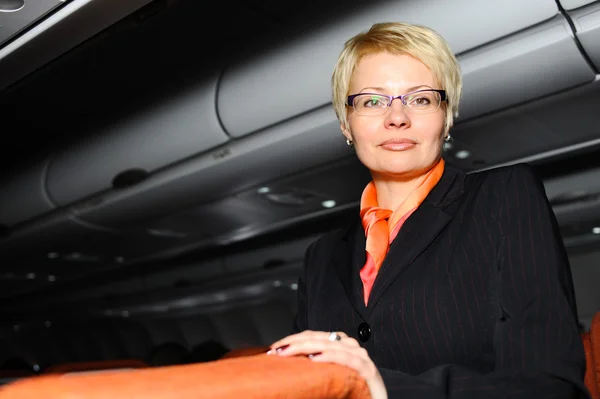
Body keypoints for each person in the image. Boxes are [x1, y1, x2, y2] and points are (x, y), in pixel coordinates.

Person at [268, 22, 589, 399]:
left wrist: (378, 387)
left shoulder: (503, 198)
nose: (397, 117)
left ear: (447, 116)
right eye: (373, 101)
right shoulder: (321, 257)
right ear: (346, 124)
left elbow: (552, 387)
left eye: (420, 99)